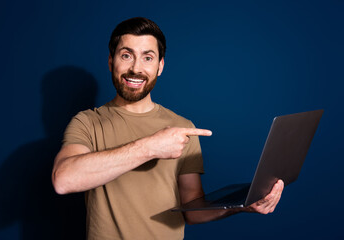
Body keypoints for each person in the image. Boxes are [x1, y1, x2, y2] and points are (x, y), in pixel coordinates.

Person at [52, 17, 284, 240]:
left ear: (160, 66)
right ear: (111, 61)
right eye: (126, 55)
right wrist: (150, 147)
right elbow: (63, 180)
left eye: (148, 58)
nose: (135, 68)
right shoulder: (87, 122)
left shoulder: (183, 129)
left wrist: (243, 206)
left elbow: (192, 212)